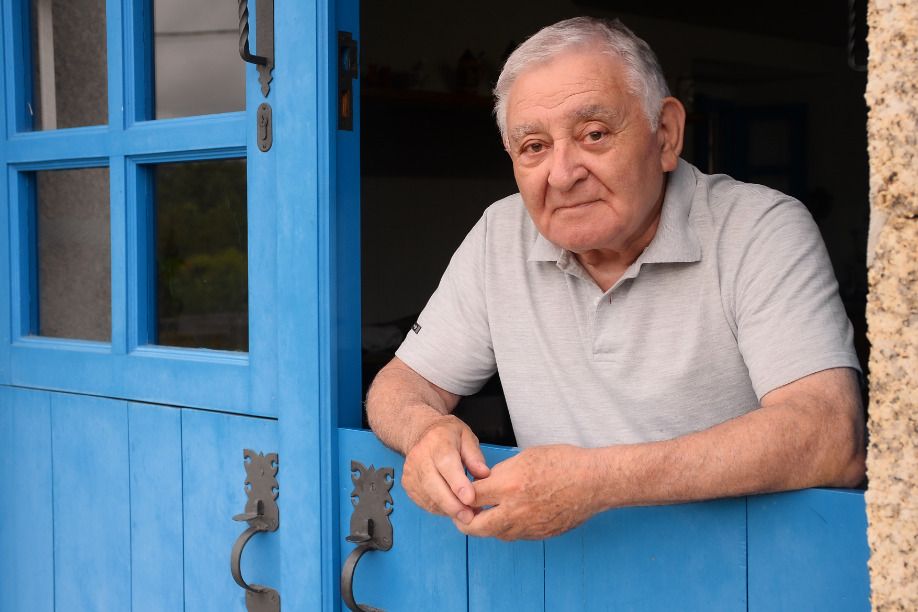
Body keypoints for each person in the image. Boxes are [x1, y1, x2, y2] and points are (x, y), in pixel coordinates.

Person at [365, 16, 866, 541]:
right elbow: (401, 385)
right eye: (533, 146)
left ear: (666, 135)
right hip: (560, 578)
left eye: (594, 134)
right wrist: (425, 429)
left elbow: (830, 435)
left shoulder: (757, 227)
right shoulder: (500, 234)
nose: (562, 173)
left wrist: (596, 481)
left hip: (737, 578)